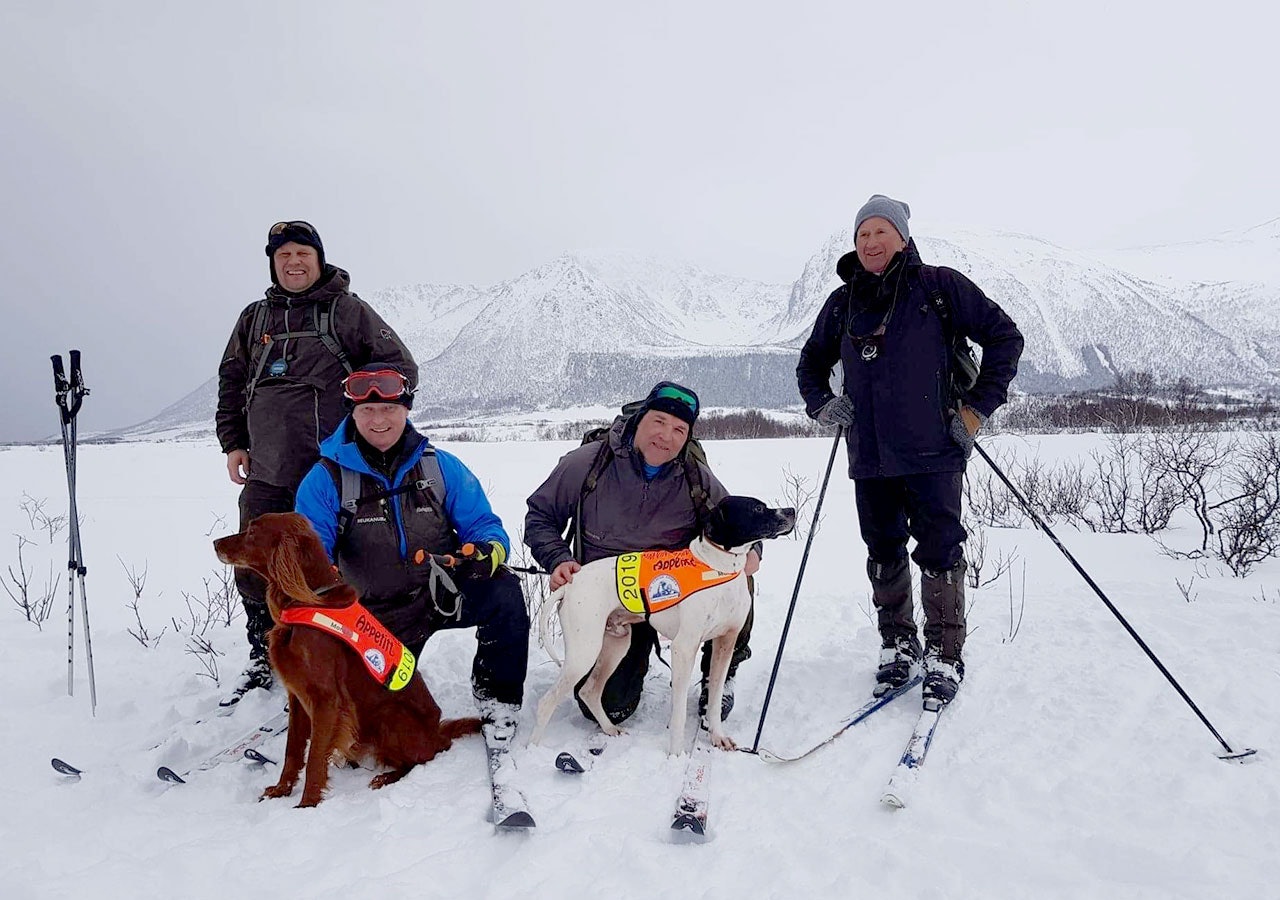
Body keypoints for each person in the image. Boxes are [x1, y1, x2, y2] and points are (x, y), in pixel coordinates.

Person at [796, 194, 1023, 707]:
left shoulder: (938, 286)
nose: (871, 242)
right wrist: (823, 405)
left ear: (901, 236)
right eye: (862, 235)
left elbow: (1005, 337)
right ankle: (898, 645)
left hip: (934, 451)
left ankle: (945, 653)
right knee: (883, 550)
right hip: (870, 456)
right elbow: (810, 364)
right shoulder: (842, 303)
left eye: (880, 232)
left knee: (940, 551)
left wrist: (976, 410)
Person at [216, 221, 417, 706]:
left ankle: (341, 652)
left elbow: (399, 370)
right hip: (266, 471)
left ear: (319, 258)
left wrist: (369, 425)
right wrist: (233, 442)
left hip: (330, 474)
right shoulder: (254, 319)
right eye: (283, 254)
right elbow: (231, 380)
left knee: (331, 566)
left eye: (302, 253)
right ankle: (268, 654)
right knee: (255, 568)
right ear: (273, 262)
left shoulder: (346, 313)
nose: (294, 262)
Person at [293, 364, 529, 734]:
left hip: (442, 594)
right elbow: (310, 557)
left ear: (406, 410)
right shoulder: (324, 480)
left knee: (504, 590)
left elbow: (486, 526)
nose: (379, 420)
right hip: (373, 617)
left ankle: (497, 699)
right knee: (372, 725)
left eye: (389, 409)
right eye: (367, 410)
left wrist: (486, 553)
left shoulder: (440, 467)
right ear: (351, 413)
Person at [524, 381, 761, 726]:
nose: (667, 436)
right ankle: (637, 655)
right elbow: (540, 517)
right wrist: (558, 558)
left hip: (676, 593)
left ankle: (720, 675)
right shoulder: (587, 464)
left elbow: (735, 521)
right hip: (614, 597)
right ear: (640, 420)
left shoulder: (694, 475)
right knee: (608, 707)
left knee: (736, 578)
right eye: (659, 422)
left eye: (680, 429)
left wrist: (753, 550)